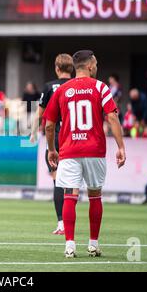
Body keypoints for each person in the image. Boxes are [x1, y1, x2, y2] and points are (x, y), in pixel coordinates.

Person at [43, 50, 126, 258]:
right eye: (96, 63)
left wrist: (52, 149)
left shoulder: (63, 89)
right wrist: (121, 146)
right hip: (94, 150)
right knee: (95, 196)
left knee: (70, 196)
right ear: (89, 66)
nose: (97, 66)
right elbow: (113, 118)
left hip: (69, 150)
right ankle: (93, 244)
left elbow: (49, 124)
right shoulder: (101, 87)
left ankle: (69, 245)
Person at [30, 53, 74, 235]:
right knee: (72, 181)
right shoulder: (77, 85)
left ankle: (62, 224)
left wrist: (32, 133)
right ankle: (71, 224)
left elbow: (40, 114)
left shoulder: (49, 87)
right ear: (72, 69)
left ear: (57, 68)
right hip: (74, 137)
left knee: (57, 180)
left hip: (55, 138)